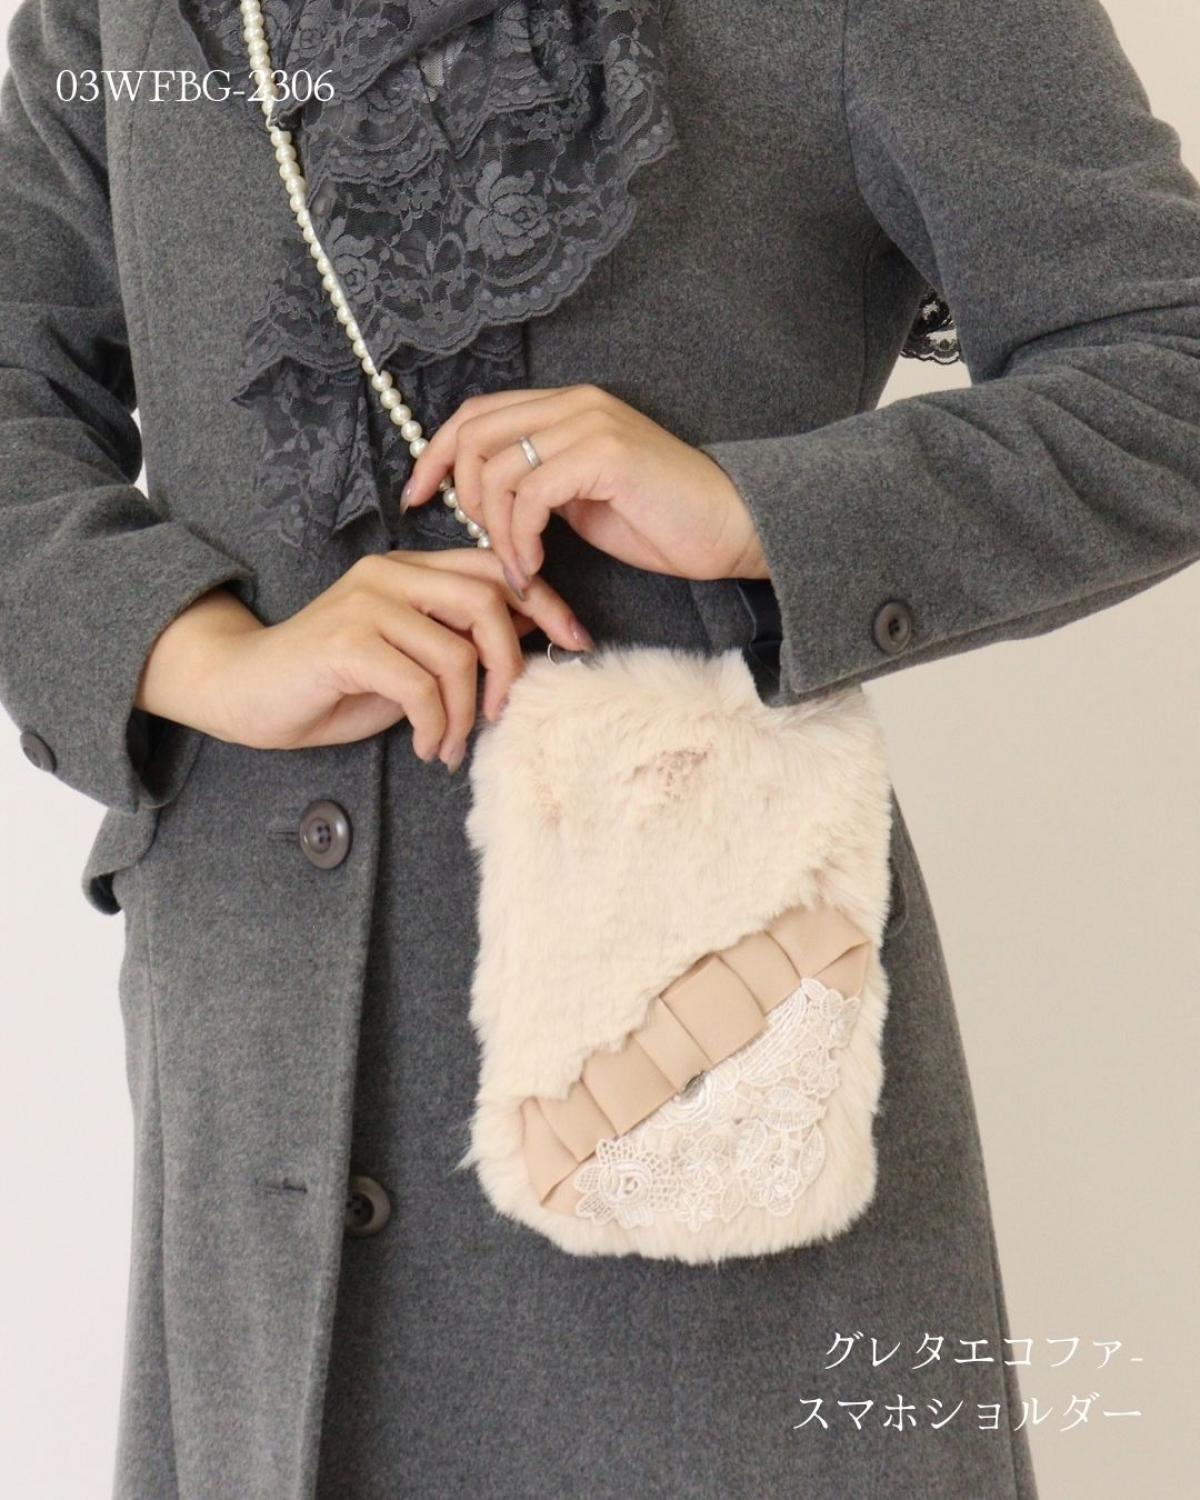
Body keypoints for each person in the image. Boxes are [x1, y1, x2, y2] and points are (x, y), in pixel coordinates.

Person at [2, 1, 1197, 1496]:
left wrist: (755, 513)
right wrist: (201, 656)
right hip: (253, 1109)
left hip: (696, 1051)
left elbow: (1168, 364)